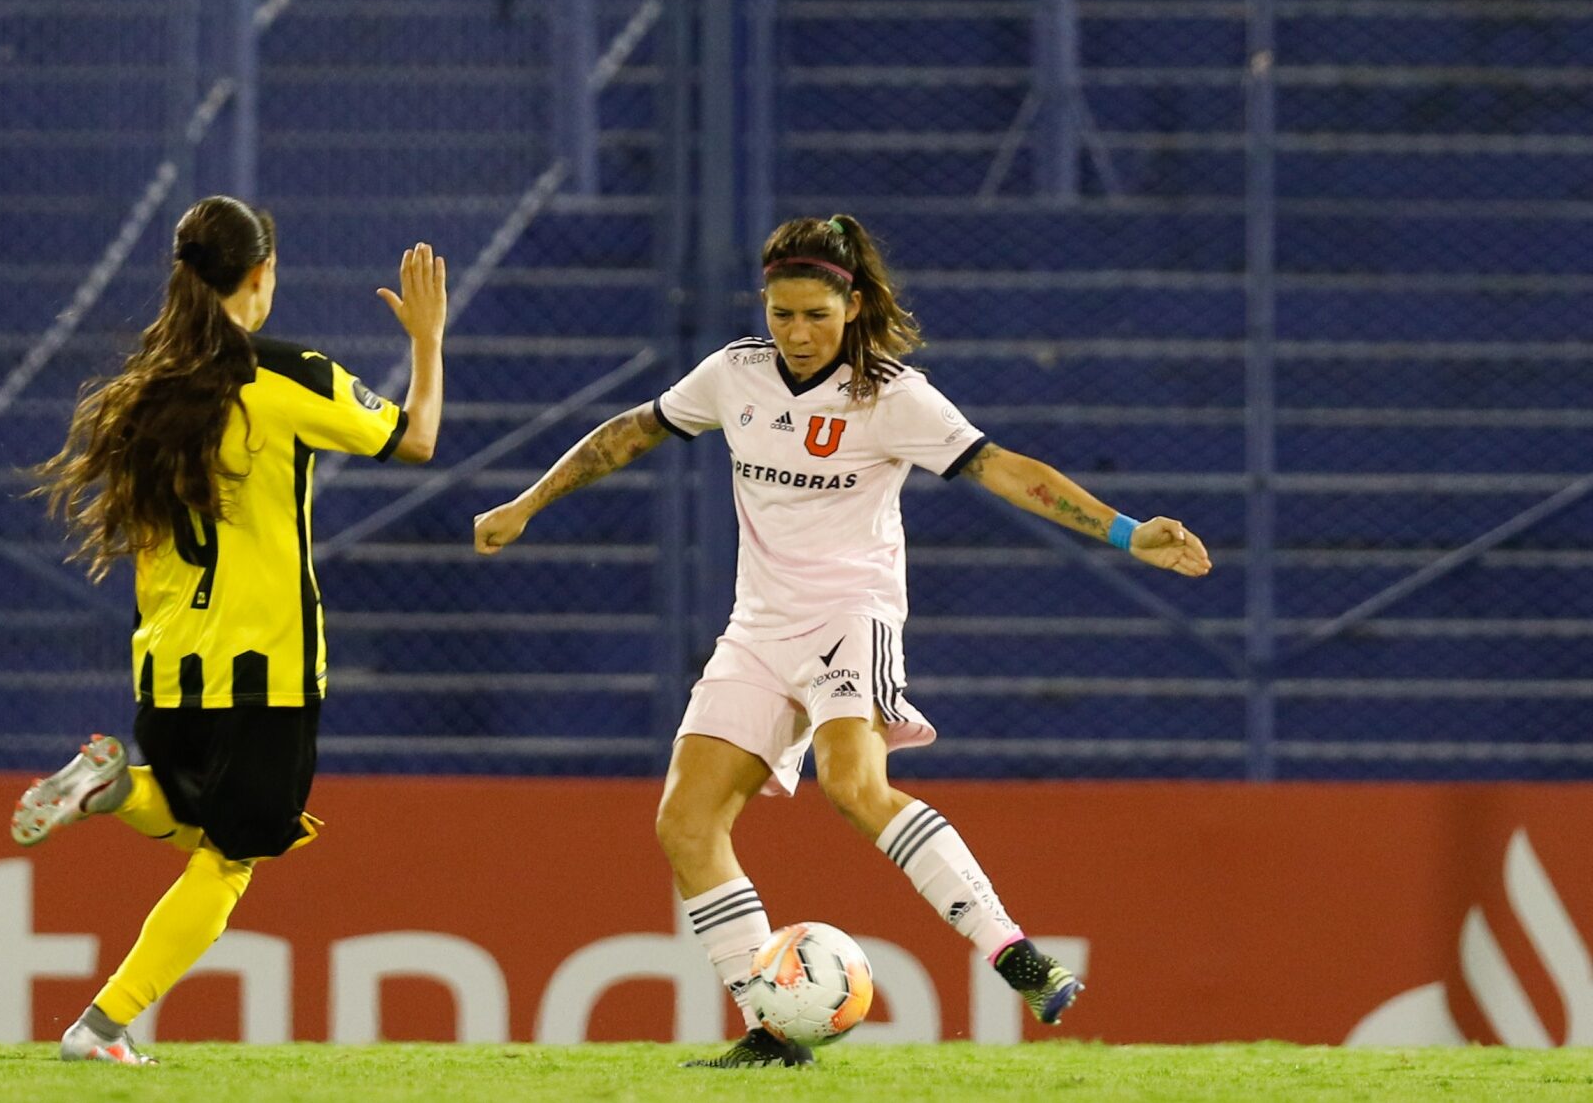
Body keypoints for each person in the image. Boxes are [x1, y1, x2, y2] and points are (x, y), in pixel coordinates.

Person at [474, 215, 1211, 1068]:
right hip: (757, 627)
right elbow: (630, 431)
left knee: (855, 787)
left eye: (815, 315)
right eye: (782, 314)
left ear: (852, 304)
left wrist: (1127, 533)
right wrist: (527, 502)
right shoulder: (733, 376)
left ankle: (1014, 951)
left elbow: (1009, 469)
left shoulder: (893, 396)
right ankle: (774, 1027)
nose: (796, 333)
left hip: (847, 618)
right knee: (684, 824)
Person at [13, 195, 446, 1063]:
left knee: (191, 816)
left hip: (167, 663)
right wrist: (428, 341)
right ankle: (102, 1026)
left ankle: (114, 789)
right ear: (262, 276)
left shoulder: (144, 388)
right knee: (232, 858)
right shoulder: (292, 376)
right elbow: (417, 437)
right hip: (268, 663)